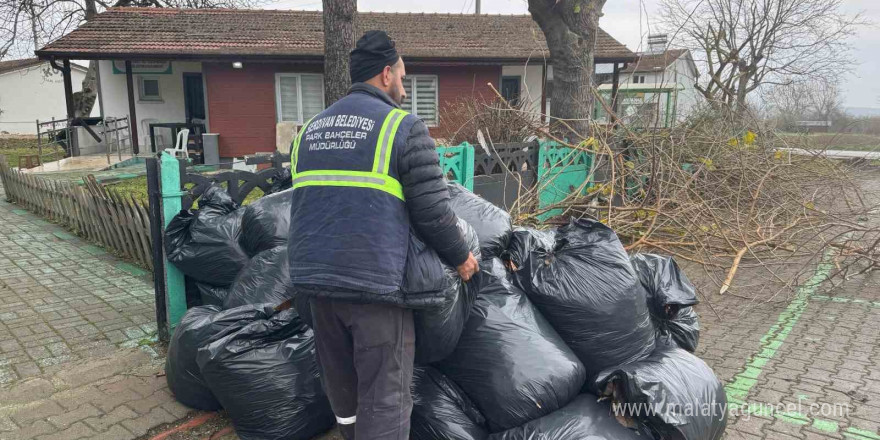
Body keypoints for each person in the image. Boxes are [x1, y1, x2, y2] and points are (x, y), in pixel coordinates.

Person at [287, 30, 480, 440]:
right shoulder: (403, 127)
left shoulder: (310, 131)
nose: (405, 88)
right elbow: (433, 212)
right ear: (386, 73)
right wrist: (463, 259)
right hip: (374, 288)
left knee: (343, 386)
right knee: (385, 396)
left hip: (316, 285)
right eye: (403, 77)